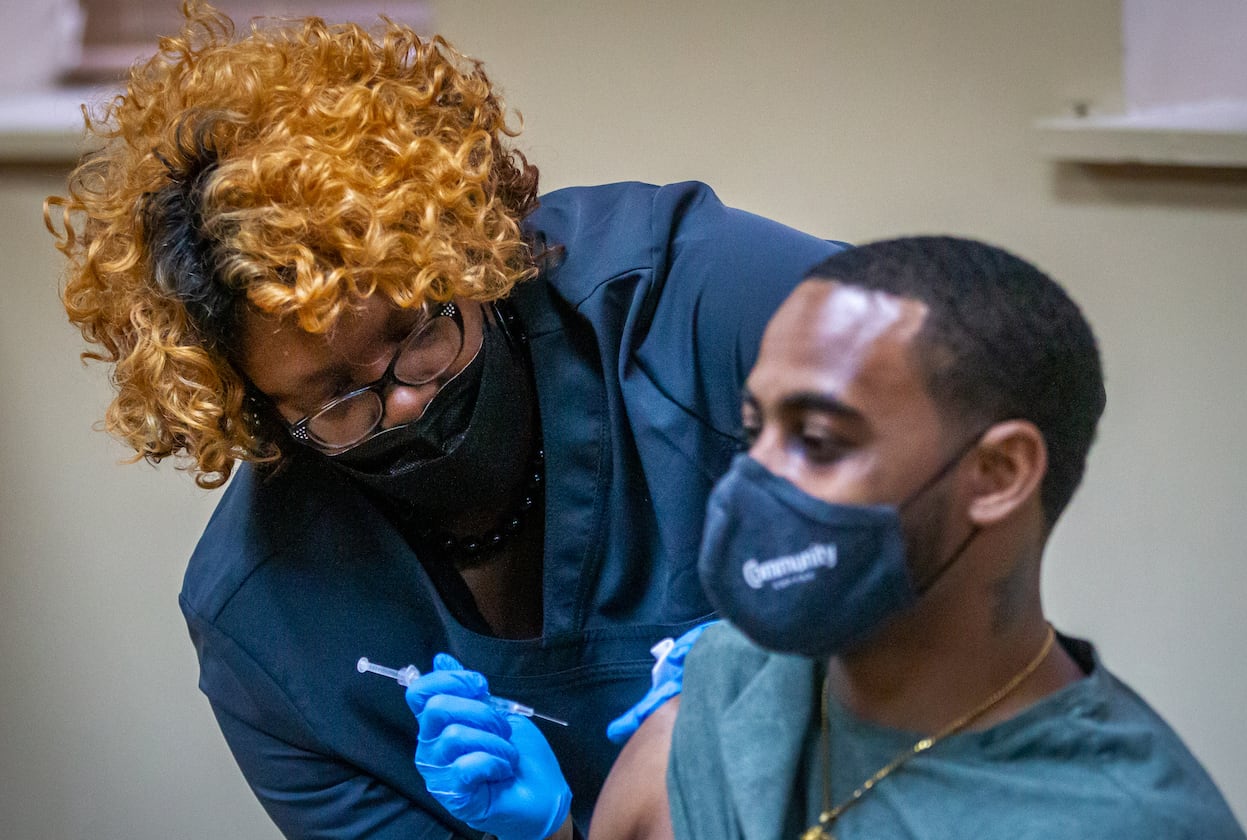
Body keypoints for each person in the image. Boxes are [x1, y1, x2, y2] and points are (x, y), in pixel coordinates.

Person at [43, 3, 842, 838]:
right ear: (259, 417)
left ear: (470, 250)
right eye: (337, 400)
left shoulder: (700, 306)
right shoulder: (271, 635)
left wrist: (818, 659)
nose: (407, 402)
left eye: (419, 332)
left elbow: (937, 431)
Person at [412, 237, 1247, 838]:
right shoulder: (723, 694)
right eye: (756, 430)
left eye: (818, 441)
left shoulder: (1124, 819)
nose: (753, 480)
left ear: (997, 474)